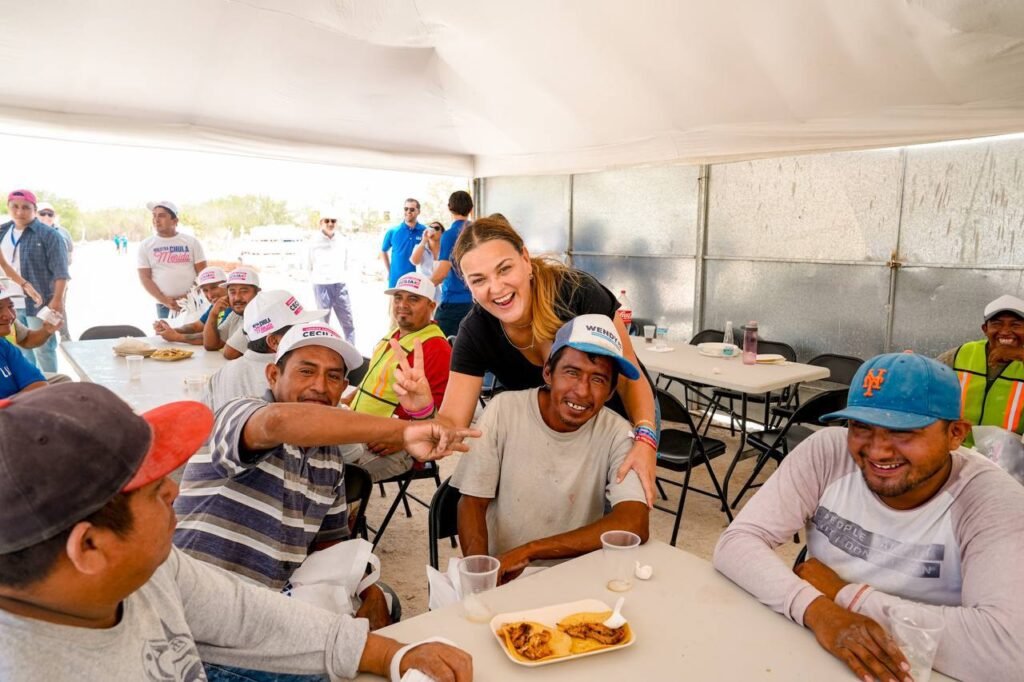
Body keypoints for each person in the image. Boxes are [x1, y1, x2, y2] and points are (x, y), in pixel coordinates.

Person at [0, 382, 473, 681]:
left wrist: (388, 654)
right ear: (89, 546)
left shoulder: (154, 571)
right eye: (152, 488)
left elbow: (244, 614)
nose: (174, 488)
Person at [713, 352, 1024, 682]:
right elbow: (737, 542)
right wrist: (820, 611)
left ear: (956, 434)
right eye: (861, 427)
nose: (878, 451)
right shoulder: (828, 452)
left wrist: (845, 595)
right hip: (812, 649)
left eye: (903, 431)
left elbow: (1008, 652)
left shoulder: (992, 499)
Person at [173, 322, 477, 611]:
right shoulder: (239, 412)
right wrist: (405, 431)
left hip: (266, 607)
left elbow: (330, 544)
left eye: (333, 377)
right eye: (306, 371)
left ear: (343, 387)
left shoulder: (329, 460)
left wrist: (368, 590)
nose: (320, 386)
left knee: (385, 604)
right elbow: (277, 422)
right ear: (273, 375)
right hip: (194, 603)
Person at [436, 216, 659, 505]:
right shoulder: (476, 331)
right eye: (479, 280)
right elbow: (453, 421)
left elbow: (630, 377)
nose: (496, 288)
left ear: (525, 259)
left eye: (504, 269)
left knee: (613, 512)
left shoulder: (576, 293)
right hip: (561, 428)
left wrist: (645, 437)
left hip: (626, 414)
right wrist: (423, 413)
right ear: (468, 286)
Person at [452, 314, 649, 584]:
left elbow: (635, 522)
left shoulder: (617, 431)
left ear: (612, 391)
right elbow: (472, 502)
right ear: (548, 372)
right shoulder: (504, 410)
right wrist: (482, 577)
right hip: (505, 575)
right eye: (572, 372)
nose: (582, 391)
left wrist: (531, 550)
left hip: (573, 579)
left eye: (598, 379)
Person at [345, 273, 451, 481]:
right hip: (361, 428)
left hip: (399, 446)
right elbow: (374, 378)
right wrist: (348, 400)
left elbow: (442, 412)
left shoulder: (437, 348)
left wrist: (403, 437)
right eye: (398, 298)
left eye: (413, 299)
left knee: (336, 477)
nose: (402, 305)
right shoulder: (393, 335)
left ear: (431, 306)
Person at [203, 289, 327, 411]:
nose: (306, 336)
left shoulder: (221, 374)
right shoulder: (288, 383)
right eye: (300, 330)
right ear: (274, 342)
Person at [936, 294, 1024, 446]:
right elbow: (927, 378)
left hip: (1006, 455)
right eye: (997, 324)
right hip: (956, 449)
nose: (1005, 331)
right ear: (985, 329)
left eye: (1015, 325)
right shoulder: (962, 354)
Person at [0, 189, 69, 373]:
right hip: (8, 303)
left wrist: (57, 300)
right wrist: (23, 285)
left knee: (44, 349)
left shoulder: (49, 235)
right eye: (15, 207)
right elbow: (4, 265)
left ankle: (51, 385)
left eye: (25, 207)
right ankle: (30, 384)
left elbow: (61, 272)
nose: (19, 211)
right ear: (8, 207)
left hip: (39, 302)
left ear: (34, 209)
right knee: (20, 350)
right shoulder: (2, 231)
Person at [137, 200, 207, 319]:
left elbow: (203, 274)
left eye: (162, 216)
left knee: (195, 330)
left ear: (175, 221)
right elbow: (145, 277)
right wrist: (164, 300)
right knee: (167, 331)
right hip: (164, 306)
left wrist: (189, 296)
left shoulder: (191, 242)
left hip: (193, 303)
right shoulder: (145, 245)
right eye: (154, 215)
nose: (156, 219)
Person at [308, 209, 356, 345]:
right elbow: (308, 264)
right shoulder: (313, 241)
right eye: (327, 221)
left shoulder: (342, 240)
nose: (330, 223)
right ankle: (325, 349)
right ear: (321, 223)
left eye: (333, 221)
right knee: (324, 324)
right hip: (321, 286)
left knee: (348, 322)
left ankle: (351, 350)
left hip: (340, 285)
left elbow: (347, 262)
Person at [153, 265, 232, 346]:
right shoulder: (216, 305)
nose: (210, 295)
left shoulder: (233, 308)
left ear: (226, 286)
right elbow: (196, 326)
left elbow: (214, 338)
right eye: (205, 290)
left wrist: (176, 337)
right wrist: (171, 330)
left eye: (214, 287)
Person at [431, 190, 475, 337]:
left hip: (453, 302)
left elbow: (442, 272)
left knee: (440, 340)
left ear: (449, 208)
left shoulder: (449, 235)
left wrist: (422, 286)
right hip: (476, 300)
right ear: (471, 208)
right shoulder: (477, 232)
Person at [0, 281, 46, 398]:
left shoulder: (4, 345)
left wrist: (48, 329)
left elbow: (39, 384)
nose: (10, 316)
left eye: (11, 306)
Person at [36, 202, 73, 341]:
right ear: (35, 214)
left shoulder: (63, 232)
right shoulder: (31, 232)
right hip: (37, 281)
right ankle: (44, 337)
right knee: (40, 311)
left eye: (50, 214)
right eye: (42, 213)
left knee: (58, 307)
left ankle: (64, 335)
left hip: (59, 279)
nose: (46, 216)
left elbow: (70, 253)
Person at [380, 198, 426, 288]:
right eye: (406, 209)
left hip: (417, 282)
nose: (408, 211)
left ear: (418, 211)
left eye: (412, 209)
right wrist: (390, 271)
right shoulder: (392, 231)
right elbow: (383, 251)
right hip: (396, 280)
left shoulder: (425, 231)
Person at [218, 266, 261, 359]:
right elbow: (213, 343)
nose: (237, 298)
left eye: (244, 291)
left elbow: (230, 353)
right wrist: (213, 314)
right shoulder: (235, 313)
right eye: (232, 292)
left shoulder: (260, 315)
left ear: (257, 293)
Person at [410, 220, 444, 299]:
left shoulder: (446, 249)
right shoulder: (420, 247)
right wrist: (424, 240)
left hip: (442, 290)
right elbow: (414, 261)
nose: (433, 230)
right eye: (431, 228)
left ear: (442, 233)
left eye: (436, 228)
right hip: (424, 289)